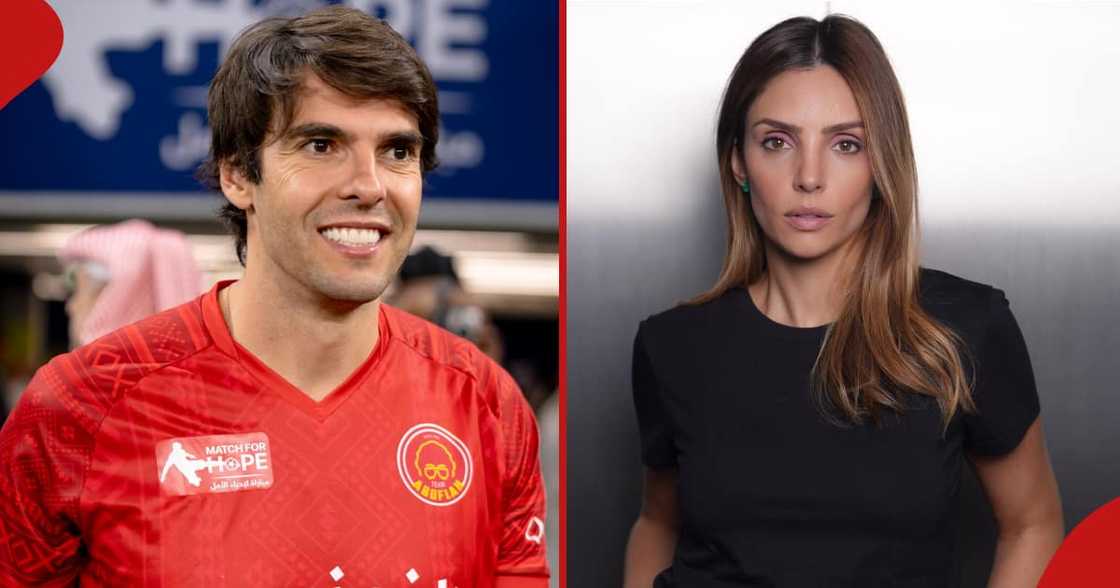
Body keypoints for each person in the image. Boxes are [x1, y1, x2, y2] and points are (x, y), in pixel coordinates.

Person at [0, 6, 548, 587]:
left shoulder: (485, 405)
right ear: (237, 174)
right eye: (321, 145)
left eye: (397, 151)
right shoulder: (81, 408)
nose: (369, 186)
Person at [623, 15, 1063, 587]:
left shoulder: (964, 330)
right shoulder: (673, 345)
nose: (809, 177)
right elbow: (657, 524)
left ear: (881, 164)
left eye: (846, 144)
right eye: (777, 142)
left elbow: (1032, 525)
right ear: (738, 162)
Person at [59, 218, 205, 348]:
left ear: (109, 296)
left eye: (76, 291)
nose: (70, 307)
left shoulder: (94, 367)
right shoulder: (187, 365)